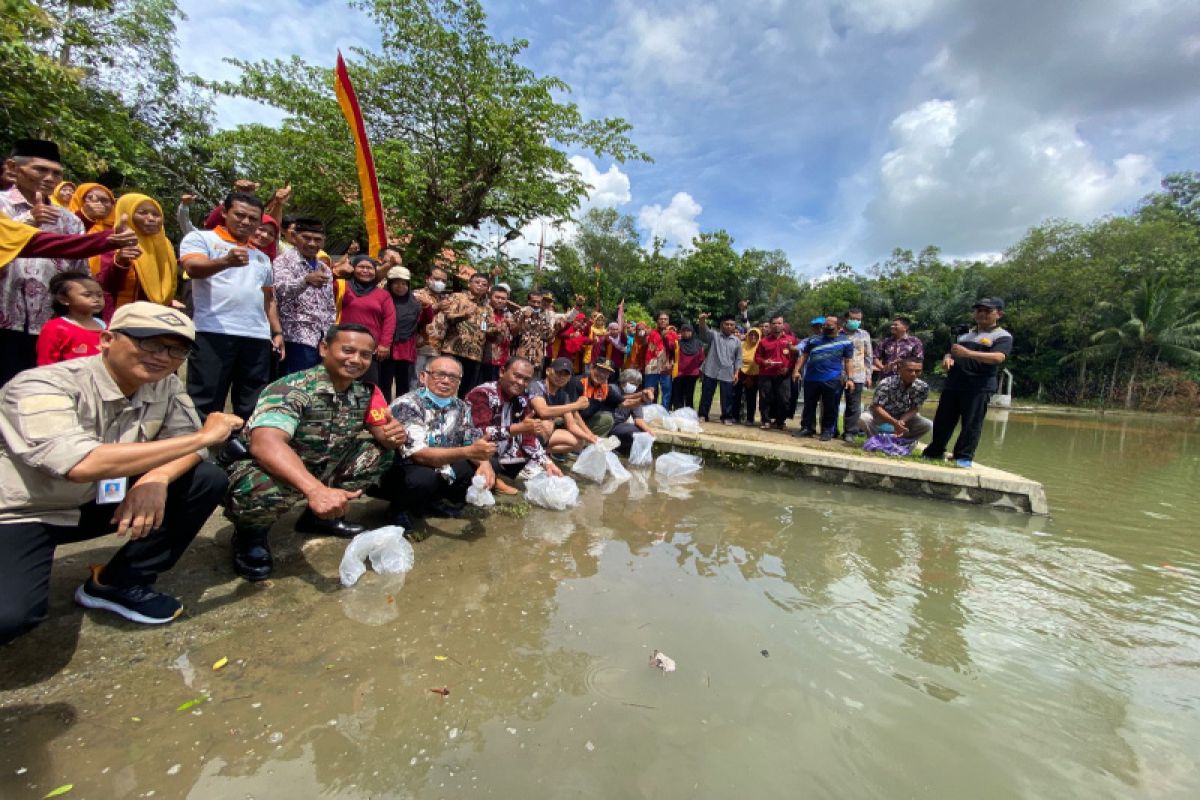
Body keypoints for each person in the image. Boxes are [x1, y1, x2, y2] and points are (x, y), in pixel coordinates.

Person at [0, 302, 239, 640]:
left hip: (94, 501)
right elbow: (81, 464)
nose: (162, 356)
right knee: (11, 618)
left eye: (176, 349)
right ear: (107, 339)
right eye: (149, 343)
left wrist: (157, 477)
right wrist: (203, 436)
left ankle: (117, 583)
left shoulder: (165, 385)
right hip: (26, 512)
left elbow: (193, 446)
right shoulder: (42, 384)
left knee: (204, 480)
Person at [223, 324, 405, 581]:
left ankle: (317, 519)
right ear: (324, 349)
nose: (356, 360)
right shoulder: (293, 388)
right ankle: (250, 535)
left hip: (319, 466)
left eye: (365, 355)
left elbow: (382, 436)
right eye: (348, 350)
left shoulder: (362, 393)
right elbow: (265, 444)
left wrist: (394, 436)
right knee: (258, 486)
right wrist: (316, 490)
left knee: (378, 454)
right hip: (269, 470)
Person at [181, 192, 285, 420]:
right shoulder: (202, 239)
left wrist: (276, 332)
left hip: (256, 336)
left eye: (253, 219)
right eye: (240, 215)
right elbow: (192, 268)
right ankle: (199, 450)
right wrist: (225, 261)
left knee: (252, 400)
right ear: (225, 213)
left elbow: (268, 299)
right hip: (214, 332)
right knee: (206, 397)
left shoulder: (262, 258)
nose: (246, 222)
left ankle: (242, 449)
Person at [0, 139, 88, 386]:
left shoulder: (70, 222)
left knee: (37, 393)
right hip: (4, 315)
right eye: (40, 169)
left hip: (48, 325)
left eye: (57, 173)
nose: (50, 178)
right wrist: (28, 221)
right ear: (13, 167)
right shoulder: (2, 206)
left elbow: (79, 274)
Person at [374, 355, 498, 530]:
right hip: (406, 467)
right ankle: (397, 509)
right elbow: (419, 455)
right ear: (423, 377)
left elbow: (472, 439)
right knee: (423, 478)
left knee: (488, 465)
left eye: (453, 377)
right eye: (439, 374)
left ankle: (432, 502)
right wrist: (468, 452)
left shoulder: (461, 406)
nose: (446, 381)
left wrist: (484, 463)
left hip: (440, 465)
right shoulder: (407, 405)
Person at [922, 299, 1012, 468]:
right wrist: (947, 359)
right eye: (979, 310)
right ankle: (934, 451)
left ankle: (963, 456)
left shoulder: (1002, 336)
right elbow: (951, 352)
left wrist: (968, 353)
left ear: (999, 314)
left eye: (987, 310)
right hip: (954, 383)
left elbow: (998, 357)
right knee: (943, 420)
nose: (982, 314)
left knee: (971, 423)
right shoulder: (965, 334)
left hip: (978, 386)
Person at [464, 356, 563, 491]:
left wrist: (548, 463)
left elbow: (528, 438)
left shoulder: (522, 401)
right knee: (489, 459)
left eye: (526, 379)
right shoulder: (482, 394)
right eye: (517, 376)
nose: (521, 382)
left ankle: (500, 475)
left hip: (506, 451)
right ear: (502, 372)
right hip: (478, 449)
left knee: (536, 442)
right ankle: (496, 480)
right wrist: (518, 428)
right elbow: (480, 432)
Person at [97, 193, 177, 321]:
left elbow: (166, 284)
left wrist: (169, 301)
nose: (151, 218)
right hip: (123, 318)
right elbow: (106, 286)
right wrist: (120, 261)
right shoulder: (115, 241)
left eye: (156, 214)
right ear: (126, 214)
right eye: (142, 213)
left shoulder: (165, 245)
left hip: (156, 318)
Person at [272, 217, 335, 375]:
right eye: (306, 238)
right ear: (294, 237)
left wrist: (330, 335)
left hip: (322, 339)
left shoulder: (325, 269)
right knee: (296, 387)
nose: (312, 243)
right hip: (295, 337)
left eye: (317, 240)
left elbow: (329, 306)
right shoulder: (282, 262)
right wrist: (306, 280)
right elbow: (280, 291)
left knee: (318, 387)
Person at [794, 314, 854, 441]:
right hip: (811, 378)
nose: (826, 327)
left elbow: (848, 361)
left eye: (829, 326)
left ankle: (827, 431)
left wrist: (850, 379)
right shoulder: (813, 340)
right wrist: (796, 370)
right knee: (809, 405)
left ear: (838, 327)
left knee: (830, 406)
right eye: (825, 325)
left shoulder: (846, 342)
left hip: (832, 379)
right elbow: (804, 356)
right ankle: (807, 428)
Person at [337, 255, 394, 387]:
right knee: (341, 382)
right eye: (361, 267)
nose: (365, 271)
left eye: (370, 268)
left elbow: (389, 320)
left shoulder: (383, 295)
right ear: (353, 268)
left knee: (368, 386)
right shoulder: (341, 286)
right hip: (343, 344)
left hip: (369, 349)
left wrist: (385, 344)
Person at [528, 357, 593, 454]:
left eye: (565, 375)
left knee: (579, 442)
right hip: (525, 429)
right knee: (547, 424)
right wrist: (576, 405)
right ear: (548, 371)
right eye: (558, 372)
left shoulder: (563, 395)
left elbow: (571, 424)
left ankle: (540, 454)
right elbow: (543, 411)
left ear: (569, 378)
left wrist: (591, 438)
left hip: (543, 433)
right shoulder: (536, 386)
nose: (561, 377)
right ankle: (527, 453)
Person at [439, 271, 490, 395]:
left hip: (475, 354)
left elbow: (488, 328)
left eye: (484, 284)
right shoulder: (458, 297)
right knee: (446, 385)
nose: (480, 286)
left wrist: (498, 329)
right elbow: (447, 317)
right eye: (477, 282)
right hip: (454, 350)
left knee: (466, 391)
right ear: (469, 284)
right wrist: (464, 315)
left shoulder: (487, 307)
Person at [37, 272, 105, 365]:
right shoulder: (54, 328)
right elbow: (46, 363)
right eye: (87, 295)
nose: (96, 299)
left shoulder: (107, 326)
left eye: (99, 295)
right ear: (63, 299)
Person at [860, 358, 932, 439]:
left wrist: (901, 422)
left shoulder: (923, 387)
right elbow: (877, 407)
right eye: (910, 370)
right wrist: (894, 423)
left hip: (904, 416)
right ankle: (875, 439)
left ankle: (901, 441)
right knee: (864, 418)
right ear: (900, 370)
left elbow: (914, 408)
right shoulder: (886, 383)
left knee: (927, 424)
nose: (913, 374)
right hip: (881, 414)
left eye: (917, 371)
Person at [381, 265, 422, 401]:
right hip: (385, 350)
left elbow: (424, 320)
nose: (400, 287)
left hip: (405, 351)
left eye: (404, 283)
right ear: (390, 284)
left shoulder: (415, 303)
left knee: (403, 386)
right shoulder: (383, 301)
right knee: (384, 384)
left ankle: (401, 415)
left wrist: (427, 307)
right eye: (396, 283)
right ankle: (382, 413)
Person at [696, 313, 741, 424]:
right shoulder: (714, 336)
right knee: (706, 394)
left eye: (732, 325)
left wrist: (736, 373)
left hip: (727, 372)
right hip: (711, 369)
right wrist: (702, 320)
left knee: (727, 396)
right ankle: (703, 415)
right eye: (727, 324)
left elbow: (738, 359)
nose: (729, 326)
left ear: (734, 326)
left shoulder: (736, 341)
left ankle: (726, 417)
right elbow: (704, 331)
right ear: (722, 325)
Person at [754, 315, 795, 430]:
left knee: (784, 398)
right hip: (766, 373)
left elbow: (794, 357)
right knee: (765, 398)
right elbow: (757, 358)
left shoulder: (790, 340)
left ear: (783, 324)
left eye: (779, 323)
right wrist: (764, 362)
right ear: (770, 325)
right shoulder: (763, 341)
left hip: (783, 374)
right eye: (774, 323)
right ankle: (766, 420)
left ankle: (780, 421)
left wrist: (788, 368)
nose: (777, 326)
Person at [412, 264, 450, 387]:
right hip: (420, 347)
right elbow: (414, 317)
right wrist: (436, 308)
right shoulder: (417, 295)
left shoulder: (445, 299)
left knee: (431, 382)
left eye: (444, 281)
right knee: (415, 380)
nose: (440, 283)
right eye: (437, 279)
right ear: (427, 278)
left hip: (437, 349)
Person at [567, 357, 624, 438]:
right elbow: (573, 413)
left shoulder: (604, 387)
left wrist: (642, 398)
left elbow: (623, 402)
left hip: (585, 420)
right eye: (600, 370)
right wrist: (589, 434)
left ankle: (588, 444)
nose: (602, 374)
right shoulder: (577, 382)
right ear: (591, 368)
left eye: (606, 373)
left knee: (607, 419)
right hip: (569, 420)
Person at [66, 182, 116, 274]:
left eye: (104, 200)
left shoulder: (117, 228)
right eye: (89, 198)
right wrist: (86, 217)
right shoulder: (63, 221)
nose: (98, 203)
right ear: (78, 199)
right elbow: (66, 243)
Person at [840, 308, 873, 439]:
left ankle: (850, 432)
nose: (855, 321)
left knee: (853, 405)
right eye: (853, 319)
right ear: (846, 319)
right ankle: (831, 429)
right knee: (831, 403)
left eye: (858, 319)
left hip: (858, 374)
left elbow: (869, 356)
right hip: (837, 373)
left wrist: (869, 375)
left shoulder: (864, 334)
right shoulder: (837, 333)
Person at [611, 368, 656, 454]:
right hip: (607, 424)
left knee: (641, 433)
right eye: (632, 383)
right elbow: (621, 399)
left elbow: (638, 419)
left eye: (637, 384)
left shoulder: (636, 398)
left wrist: (649, 431)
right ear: (623, 381)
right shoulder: (613, 389)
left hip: (618, 426)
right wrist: (640, 395)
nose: (634, 386)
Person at [511, 288, 554, 375]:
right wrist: (523, 318)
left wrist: (556, 328)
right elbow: (513, 333)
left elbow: (548, 337)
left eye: (539, 302)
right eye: (533, 302)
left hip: (537, 359)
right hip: (521, 357)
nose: (536, 304)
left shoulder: (543, 317)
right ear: (528, 302)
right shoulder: (519, 313)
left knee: (534, 385)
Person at [480, 284, 514, 384]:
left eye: (503, 298)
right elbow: (483, 330)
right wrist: (499, 328)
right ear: (490, 297)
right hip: (487, 358)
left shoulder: (507, 314)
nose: (500, 301)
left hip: (503, 359)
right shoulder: (484, 311)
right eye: (497, 297)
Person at [643, 312, 677, 408]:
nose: (663, 320)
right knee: (649, 389)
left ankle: (664, 411)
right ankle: (647, 410)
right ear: (657, 321)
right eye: (661, 319)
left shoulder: (672, 334)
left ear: (668, 321)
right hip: (651, 365)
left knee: (666, 390)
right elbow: (644, 344)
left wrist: (666, 337)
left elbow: (673, 348)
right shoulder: (651, 333)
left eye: (665, 319)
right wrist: (645, 335)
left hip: (666, 365)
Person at [670, 323, 704, 410]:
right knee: (678, 394)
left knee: (689, 394)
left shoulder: (698, 344)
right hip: (679, 373)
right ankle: (678, 412)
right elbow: (672, 355)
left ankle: (689, 413)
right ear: (681, 332)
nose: (686, 333)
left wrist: (701, 373)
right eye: (683, 331)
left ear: (692, 332)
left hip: (692, 374)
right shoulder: (677, 343)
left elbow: (701, 359)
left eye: (688, 331)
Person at [733, 327, 760, 425]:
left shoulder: (760, 346)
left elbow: (758, 362)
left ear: (759, 337)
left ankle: (750, 419)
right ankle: (735, 417)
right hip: (740, 373)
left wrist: (750, 377)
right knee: (736, 396)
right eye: (751, 335)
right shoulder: (742, 345)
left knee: (751, 398)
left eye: (755, 335)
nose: (753, 337)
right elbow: (737, 359)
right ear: (747, 336)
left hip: (754, 375)